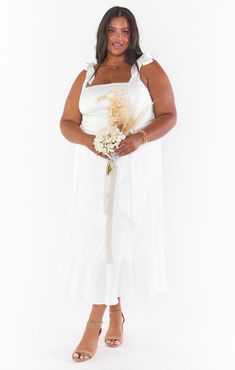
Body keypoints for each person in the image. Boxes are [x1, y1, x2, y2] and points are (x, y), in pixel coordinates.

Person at [59, 5, 177, 362]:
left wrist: (139, 138)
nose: (119, 38)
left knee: (120, 237)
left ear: (134, 35)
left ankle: (94, 321)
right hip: (93, 170)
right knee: (99, 238)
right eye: (112, 31)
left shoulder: (147, 68)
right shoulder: (88, 73)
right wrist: (89, 142)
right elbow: (66, 122)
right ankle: (114, 313)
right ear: (103, 34)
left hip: (133, 170)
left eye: (125, 31)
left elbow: (170, 115)